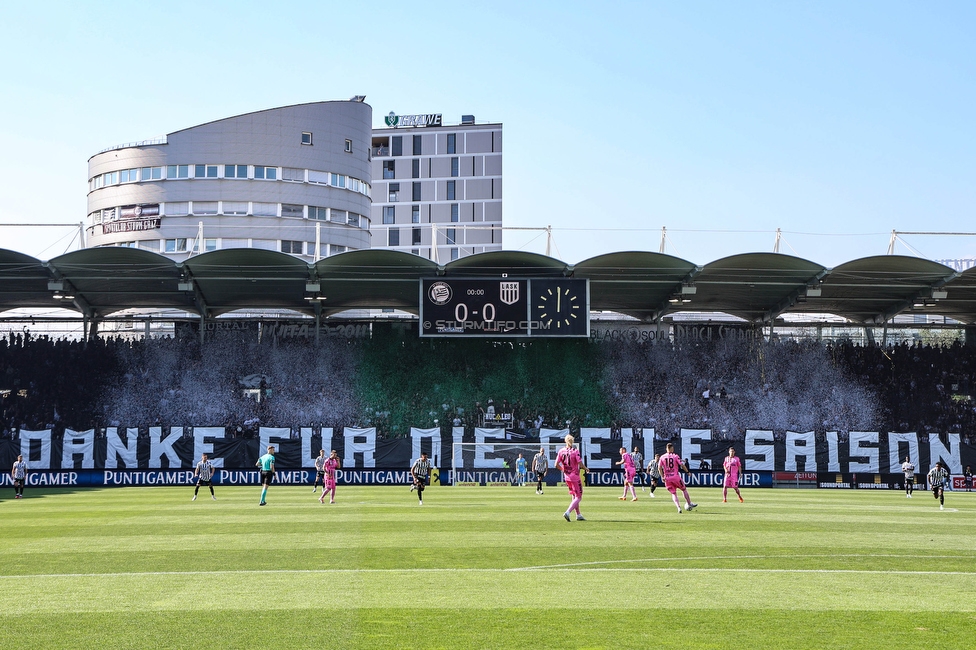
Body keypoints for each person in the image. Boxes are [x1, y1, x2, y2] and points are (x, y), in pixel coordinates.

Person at [658, 443, 697, 514]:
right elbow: (681, 465)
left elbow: (659, 468)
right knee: (684, 489)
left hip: (667, 478)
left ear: (666, 449)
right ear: (672, 448)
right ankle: (689, 503)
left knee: (674, 494)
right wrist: (687, 472)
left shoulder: (662, 457)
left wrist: (662, 476)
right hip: (675, 477)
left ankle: (678, 508)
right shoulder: (675, 456)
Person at [555, 434, 586, 521]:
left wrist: (563, 470)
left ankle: (578, 514)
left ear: (565, 441)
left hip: (567, 476)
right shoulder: (575, 451)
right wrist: (586, 468)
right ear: (572, 441)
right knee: (579, 496)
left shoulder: (561, 451)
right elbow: (580, 463)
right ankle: (567, 512)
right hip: (575, 476)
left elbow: (556, 464)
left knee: (573, 494)